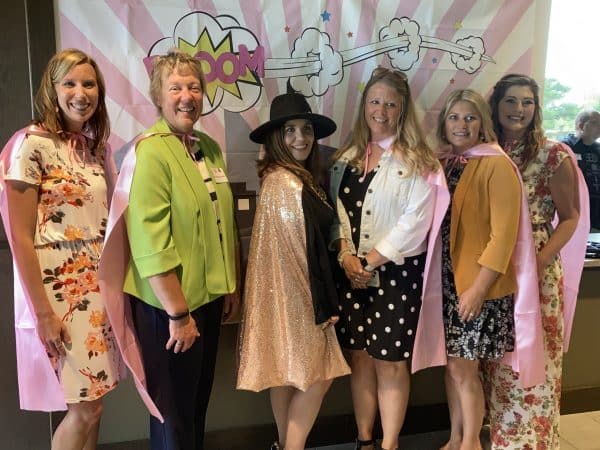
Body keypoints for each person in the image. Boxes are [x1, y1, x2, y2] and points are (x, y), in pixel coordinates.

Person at [105, 49, 239, 450]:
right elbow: (149, 241)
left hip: (209, 298)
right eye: (176, 87)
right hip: (169, 307)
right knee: (172, 416)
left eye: (194, 87)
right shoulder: (150, 151)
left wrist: (230, 286)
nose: (187, 95)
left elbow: (221, 224)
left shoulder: (208, 148)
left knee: (195, 406)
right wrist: (178, 313)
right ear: (159, 97)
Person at [0, 48, 121, 449]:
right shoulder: (29, 145)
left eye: (88, 84)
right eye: (69, 83)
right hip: (60, 292)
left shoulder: (93, 147)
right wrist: (43, 314)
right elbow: (19, 237)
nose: (80, 92)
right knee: (83, 409)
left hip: (98, 287)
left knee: (97, 404)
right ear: (52, 89)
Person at [329, 67, 439, 450]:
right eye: (375, 101)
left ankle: (389, 443)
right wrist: (346, 255)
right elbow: (336, 211)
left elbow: (416, 221)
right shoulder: (346, 157)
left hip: (395, 275)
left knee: (390, 362)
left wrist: (371, 260)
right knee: (360, 358)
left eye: (391, 104)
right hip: (350, 273)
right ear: (364, 106)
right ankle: (365, 440)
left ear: (403, 110)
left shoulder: (419, 162)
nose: (381, 110)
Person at [237, 92, 351, 450]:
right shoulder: (287, 183)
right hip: (302, 299)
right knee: (316, 378)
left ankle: (285, 443)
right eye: (289, 131)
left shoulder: (290, 177)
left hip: (287, 299)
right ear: (276, 138)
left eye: (305, 130)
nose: (300, 138)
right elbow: (306, 255)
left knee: (285, 375)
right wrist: (326, 305)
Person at [484, 73, 589, 450]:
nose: (519, 109)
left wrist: (540, 262)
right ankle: (502, 437)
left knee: (534, 357)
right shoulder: (486, 150)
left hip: (537, 269)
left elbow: (571, 216)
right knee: (498, 358)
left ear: (537, 107)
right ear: (496, 106)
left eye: (527, 101)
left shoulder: (553, 153)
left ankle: (533, 442)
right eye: (511, 101)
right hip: (493, 268)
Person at [435, 88, 540, 450]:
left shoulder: (495, 164)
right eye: (454, 117)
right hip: (449, 284)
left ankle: (470, 443)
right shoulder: (450, 163)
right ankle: (454, 436)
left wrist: (477, 290)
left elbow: (503, 237)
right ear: (444, 123)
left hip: (477, 286)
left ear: (483, 123)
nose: (461, 125)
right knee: (453, 367)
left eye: (470, 117)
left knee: (465, 369)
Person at [562, 110, 600, 230]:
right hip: (574, 206)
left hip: (596, 209)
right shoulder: (565, 147)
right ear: (581, 125)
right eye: (595, 123)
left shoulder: (598, 150)